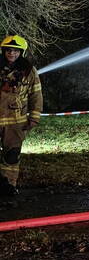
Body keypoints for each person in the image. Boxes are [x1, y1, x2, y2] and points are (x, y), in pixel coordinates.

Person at [0, 35, 43, 196]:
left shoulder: (29, 71)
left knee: (11, 156)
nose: (12, 53)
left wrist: (34, 117)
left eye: (15, 51)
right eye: (8, 50)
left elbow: (36, 95)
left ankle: (9, 186)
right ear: (3, 51)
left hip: (16, 123)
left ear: (21, 52)